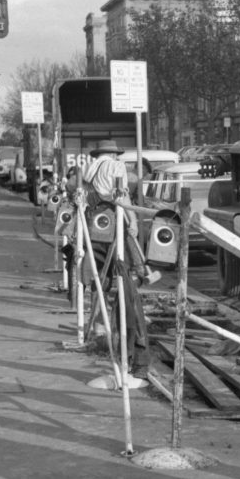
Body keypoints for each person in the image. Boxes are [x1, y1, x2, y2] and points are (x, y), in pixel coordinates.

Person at [81, 140, 155, 376]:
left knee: (98, 274)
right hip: (114, 222)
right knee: (123, 272)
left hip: (94, 224)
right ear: (113, 153)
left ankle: (98, 325)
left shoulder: (89, 170)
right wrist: (132, 221)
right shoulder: (116, 167)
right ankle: (126, 327)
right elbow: (122, 197)